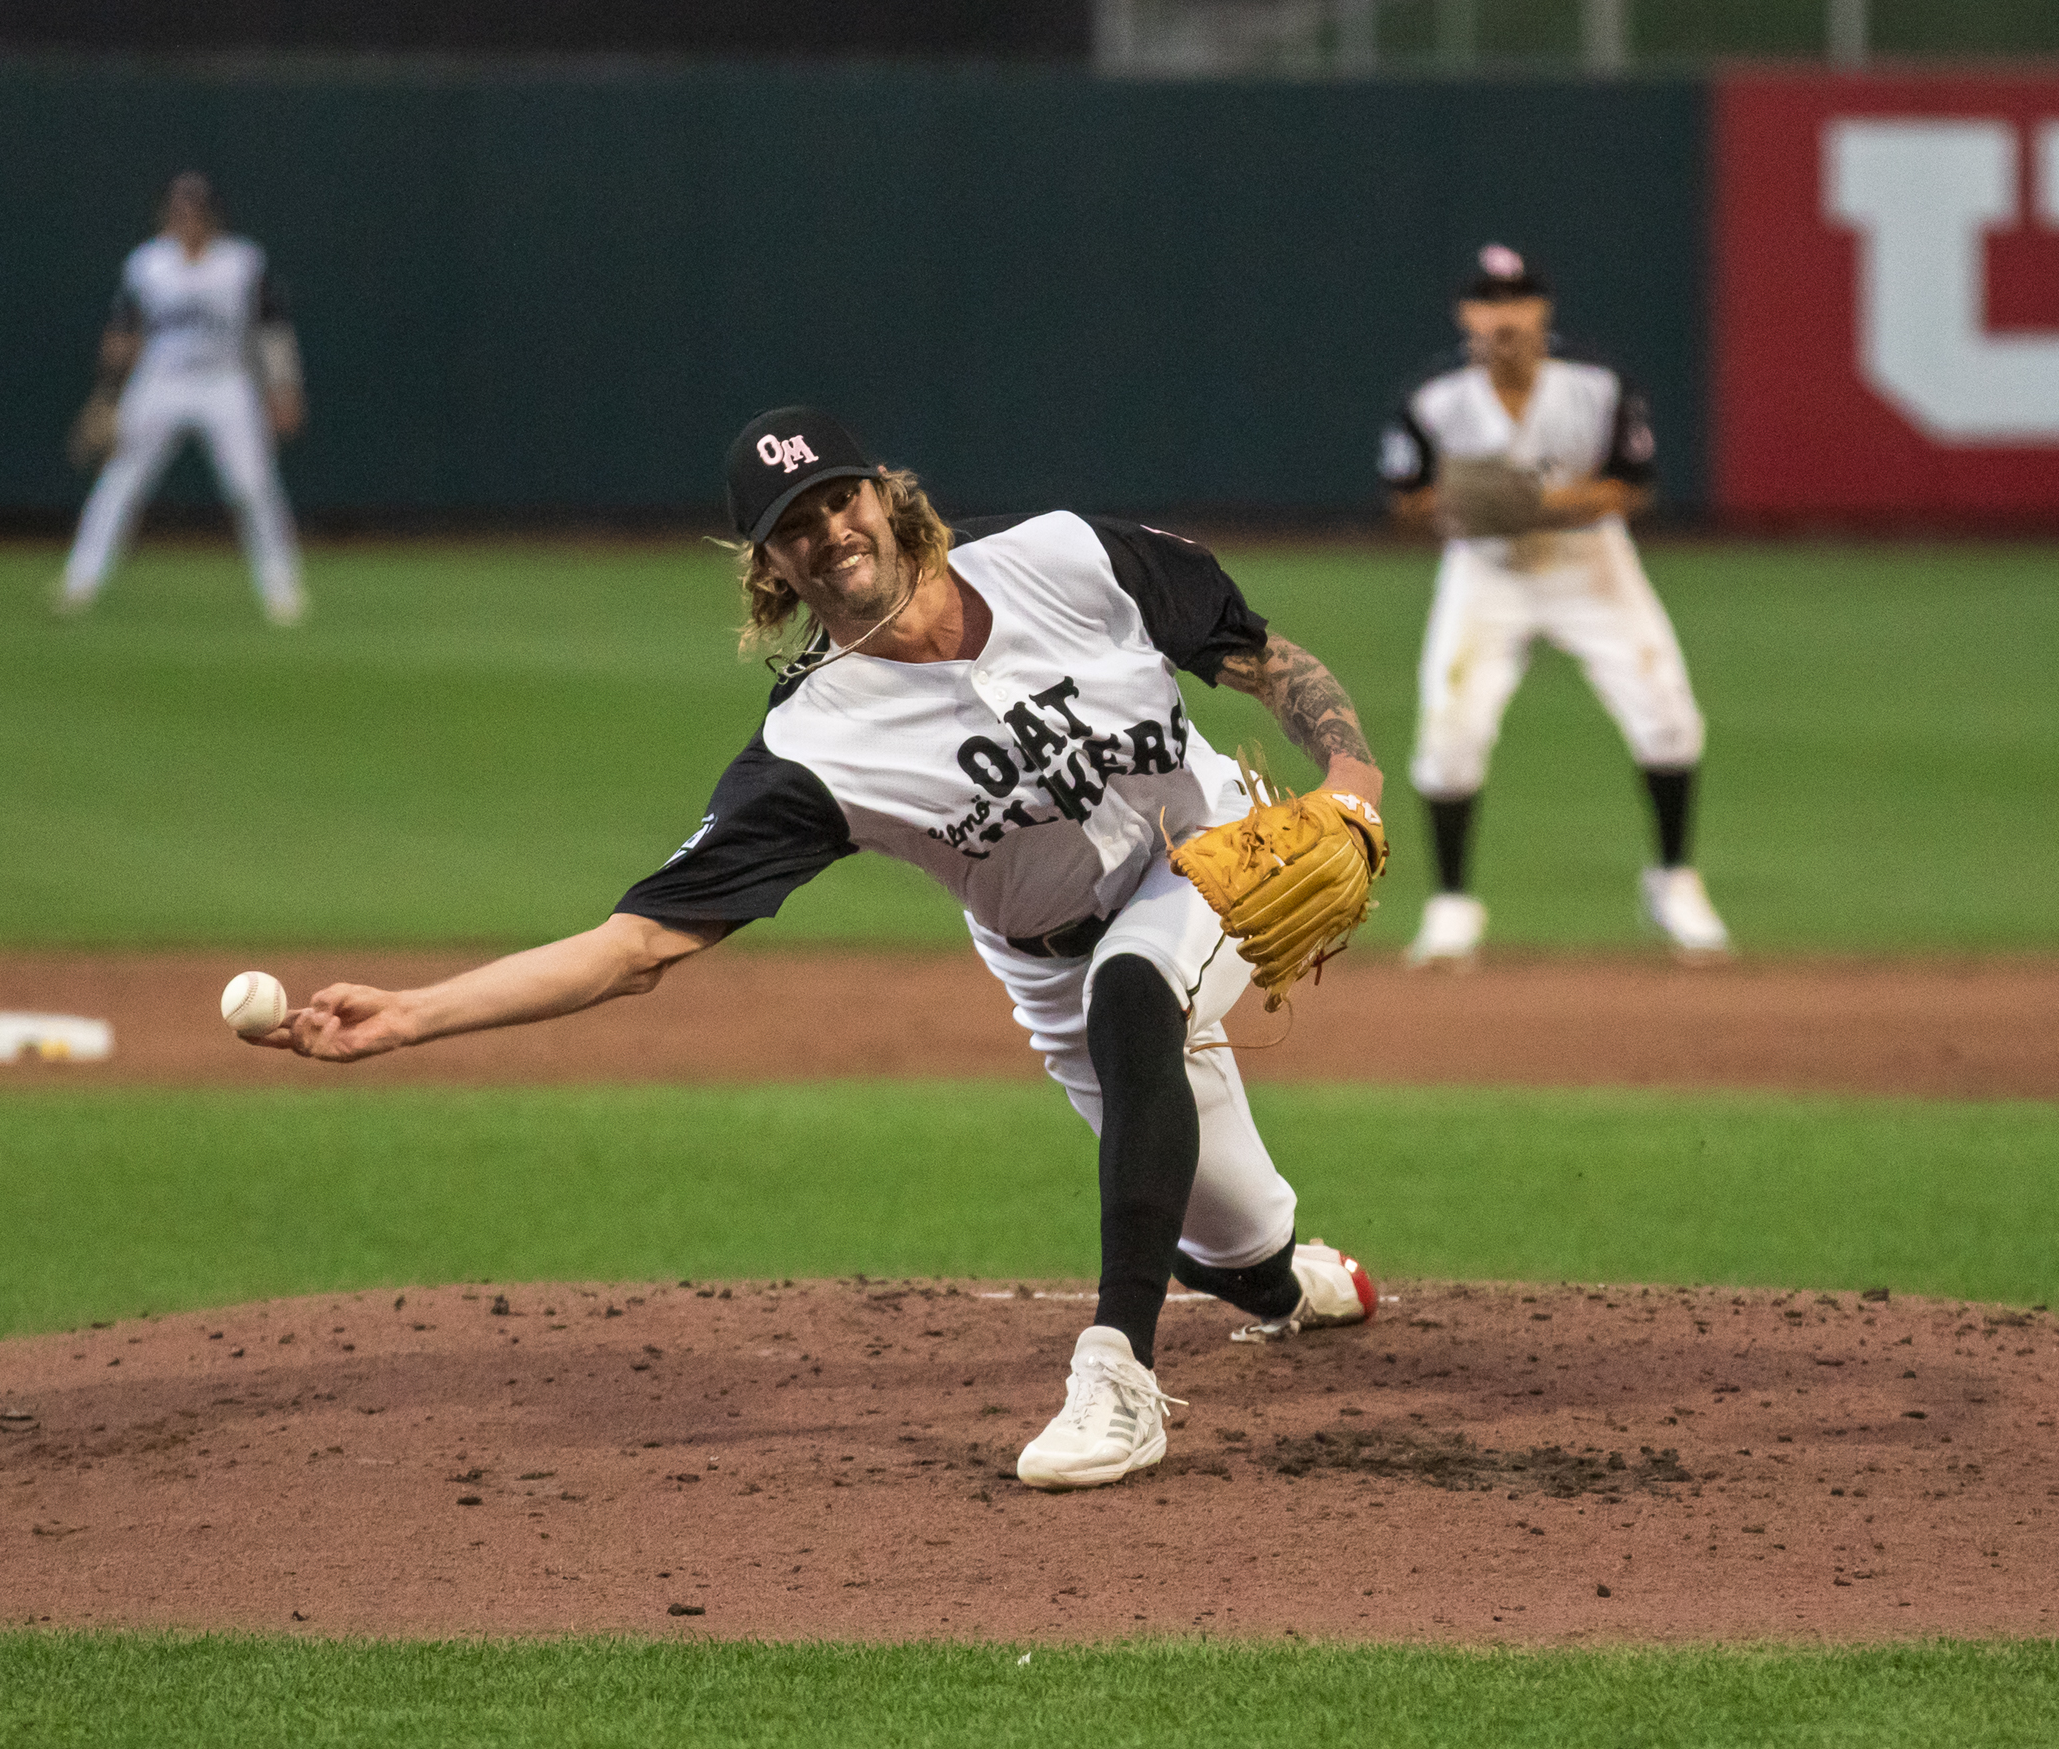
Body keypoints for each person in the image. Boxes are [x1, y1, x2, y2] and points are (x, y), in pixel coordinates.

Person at [248, 407, 1386, 1492]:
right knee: (1226, 1239)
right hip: (1052, 965)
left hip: (1222, 856)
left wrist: (1353, 776)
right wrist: (415, 1013)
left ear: (889, 502)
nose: (828, 531)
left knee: (1138, 988)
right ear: (770, 568)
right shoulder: (814, 748)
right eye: (795, 524)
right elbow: (638, 945)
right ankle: (1289, 1280)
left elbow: (1264, 659)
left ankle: (1117, 1380)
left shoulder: (1068, 557)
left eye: (840, 500)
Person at [1381, 244, 1729, 964]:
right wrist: (1458, 508)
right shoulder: (1435, 396)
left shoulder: (1596, 384)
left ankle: (1673, 881)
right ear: (1465, 314)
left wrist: (1538, 503)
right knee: (1450, 733)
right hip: (1487, 572)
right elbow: (1405, 499)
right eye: (1487, 302)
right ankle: (1452, 908)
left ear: (1542, 310)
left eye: (1516, 301)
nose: (1502, 317)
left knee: (1666, 713)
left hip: (1589, 566)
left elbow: (1634, 484)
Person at [56, 171, 309, 626]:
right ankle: (79, 584)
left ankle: (282, 590)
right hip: (160, 383)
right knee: (120, 482)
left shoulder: (242, 262)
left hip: (225, 384)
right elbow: (122, 333)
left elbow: (272, 331)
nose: (186, 219)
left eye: (195, 211)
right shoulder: (147, 263)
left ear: (213, 217)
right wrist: (109, 395)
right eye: (178, 211)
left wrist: (283, 389)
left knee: (252, 486)